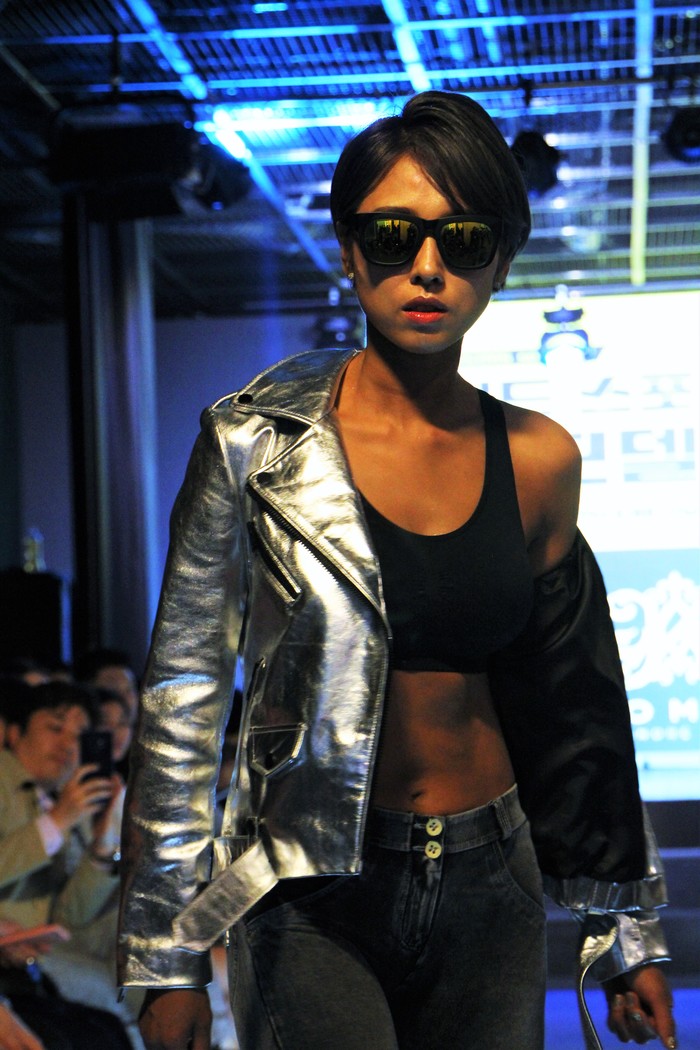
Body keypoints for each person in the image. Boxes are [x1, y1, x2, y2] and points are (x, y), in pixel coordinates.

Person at [118, 91, 677, 1050]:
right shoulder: (253, 444)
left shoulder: (540, 459)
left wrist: (627, 932)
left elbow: (575, 701)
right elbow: (184, 693)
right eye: (391, 234)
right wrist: (165, 952)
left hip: (492, 878)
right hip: (308, 885)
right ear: (348, 250)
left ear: (499, 264)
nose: (426, 266)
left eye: (463, 239)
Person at [0, 682, 132, 1049]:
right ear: (15, 733)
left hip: (49, 948)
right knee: (109, 999)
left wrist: (103, 847)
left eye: (79, 736)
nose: (67, 745)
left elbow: (70, 916)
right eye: (55, 728)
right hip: (18, 956)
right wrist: (56, 821)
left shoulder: (68, 803)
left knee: (146, 951)